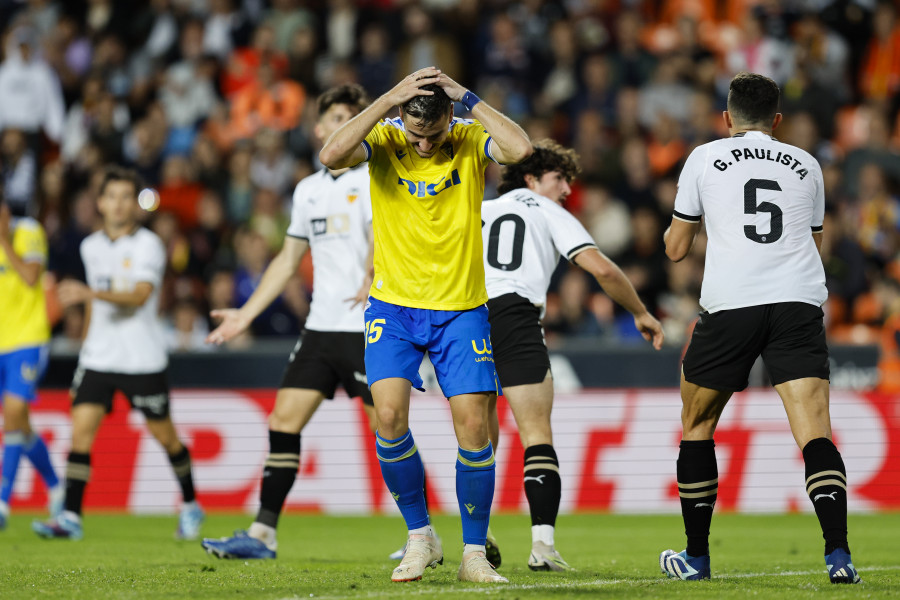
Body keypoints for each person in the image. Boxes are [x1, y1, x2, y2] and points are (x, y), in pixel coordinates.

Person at [319, 67, 532, 583]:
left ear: (448, 121)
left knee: (476, 427)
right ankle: (421, 536)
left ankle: (474, 554)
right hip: (393, 306)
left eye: (433, 134)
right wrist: (388, 100)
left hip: (460, 308)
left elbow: (520, 149)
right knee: (388, 417)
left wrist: (466, 97)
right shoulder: (386, 139)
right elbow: (330, 156)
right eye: (417, 135)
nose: (424, 144)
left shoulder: (466, 135)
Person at [658, 72, 860, 584]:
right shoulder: (808, 163)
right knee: (815, 431)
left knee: (697, 425)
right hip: (796, 300)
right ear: (777, 120)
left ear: (726, 118)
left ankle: (696, 559)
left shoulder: (704, 157)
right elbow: (815, 245)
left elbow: (676, 249)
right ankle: (839, 557)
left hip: (732, 302)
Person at [200, 83, 376, 559]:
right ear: (319, 129)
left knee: (391, 430)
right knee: (283, 421)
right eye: (335, 117)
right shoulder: (308, 191)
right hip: (321, 328)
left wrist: (374, 273)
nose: (343, 124)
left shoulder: (375, 178)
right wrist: (245, 314)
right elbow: (286, 260)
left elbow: (389, 237)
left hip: (368, 326)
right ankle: (263, 534)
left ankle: (427, 536)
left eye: (352, 117)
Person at [481, 140, 664, 571]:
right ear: (530, 179)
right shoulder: (548, 211)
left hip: (467, 317)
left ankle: (476, 536)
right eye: (558, 178)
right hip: (515, 314)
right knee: (536, 433)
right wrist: (640, 312)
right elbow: (600, 268)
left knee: (479, 436)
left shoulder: (481, 209)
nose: (566, 189)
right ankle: (542, 547)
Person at [32, 167, 204, 541]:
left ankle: (191, 505)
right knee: (81, 434)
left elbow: (141, 296)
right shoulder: (89, 246)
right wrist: (86, 347)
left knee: (166, 438)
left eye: (127, 197)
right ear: (100, 203)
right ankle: (71, 518)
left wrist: (89, 295)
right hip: (99, 356)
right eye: (112, 197)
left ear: (135, 205)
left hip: (141, 357)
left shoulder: (149, 245)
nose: (119, 204)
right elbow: (94, 304)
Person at [0, 198, 63, 529]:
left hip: (28, 339)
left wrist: (4, 241)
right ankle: (56, 486)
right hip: (1, 342)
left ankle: (2, 502)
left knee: (12, 413)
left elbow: (29, 276)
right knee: (20, 423)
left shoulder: (28, 231)